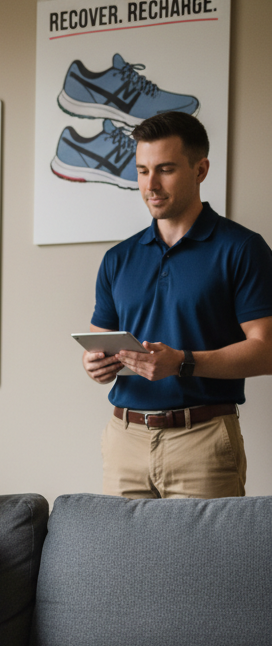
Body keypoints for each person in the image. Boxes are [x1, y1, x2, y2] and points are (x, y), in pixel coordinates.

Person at [82, 111, 272, 499]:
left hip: (203, 441)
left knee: (202, 562)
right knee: (121, 561)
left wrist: (182, 362)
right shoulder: (118, 258)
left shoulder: (242, 248)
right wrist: (96, 363)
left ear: (200, 169)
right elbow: (102, 339)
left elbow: (267, 350)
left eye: (165, 169)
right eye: (142, 170)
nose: (150, 184)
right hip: (124, 439)